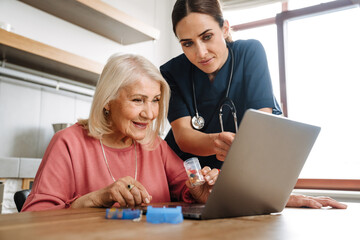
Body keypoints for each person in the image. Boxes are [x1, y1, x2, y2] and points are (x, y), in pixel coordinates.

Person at [160, 0, 347, 209]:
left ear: (225, 28)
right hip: (188, 182)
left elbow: (262, 130)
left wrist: (273, 193)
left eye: (207, 37)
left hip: (239, 181)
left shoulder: (250, 53)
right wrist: (219, 142)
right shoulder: (171, 72)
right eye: (188, 43)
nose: (201, 52)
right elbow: (184, 137)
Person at [21, 53, 219, 212]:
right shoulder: (68, 143)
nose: (149, 113)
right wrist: (97, 198)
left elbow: (187, 187)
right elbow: (34, 217)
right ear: (107, 101)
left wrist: (199, 191)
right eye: (137, 100)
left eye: (155, 100)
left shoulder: (155, 145)